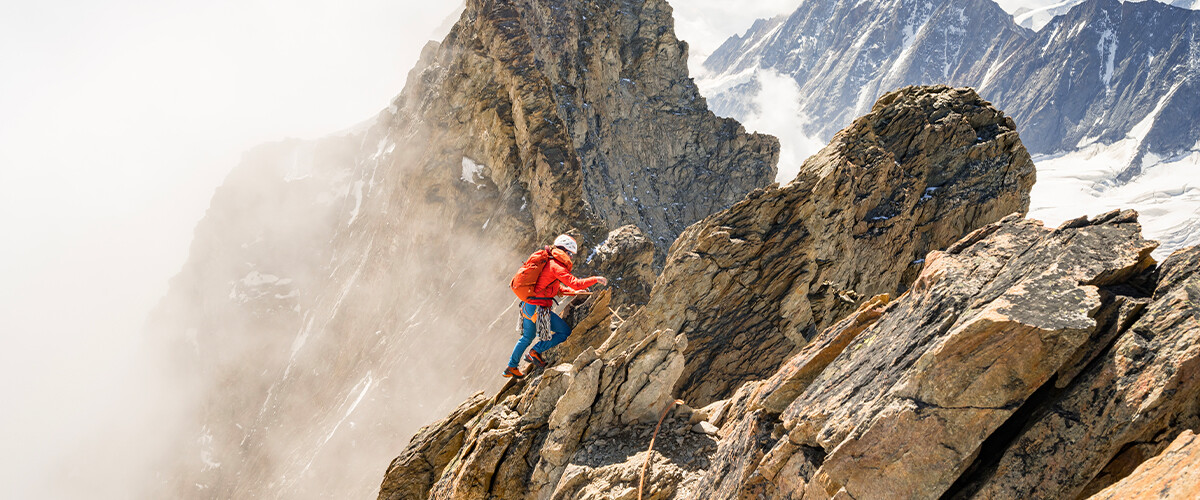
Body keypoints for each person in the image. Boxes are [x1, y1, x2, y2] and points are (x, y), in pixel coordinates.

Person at [504, 234, 607, 378]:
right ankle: (535, 351)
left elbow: (556, 289)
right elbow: (574, 282)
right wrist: (595, 279)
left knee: (527, 337)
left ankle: (511, 367)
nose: (570, 257)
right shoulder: (556, 265)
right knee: (564, 332)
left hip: (528, 306)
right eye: (570, 253)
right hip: (539, 309)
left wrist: (574, 292)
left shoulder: (548, 262)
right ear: (564, 250)